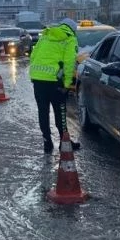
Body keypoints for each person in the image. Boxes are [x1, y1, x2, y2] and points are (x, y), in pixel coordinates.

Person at [29, 17, 80, 153]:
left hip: (38, 80)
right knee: (60, 112)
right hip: (55, 82)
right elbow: (69, 63)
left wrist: (35, 74)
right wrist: (67, 84)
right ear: (73, 30)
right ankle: (64, 142)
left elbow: (33, 56)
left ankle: (47, 142)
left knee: (43, 112)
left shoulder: (46, 35)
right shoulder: (70, 39)